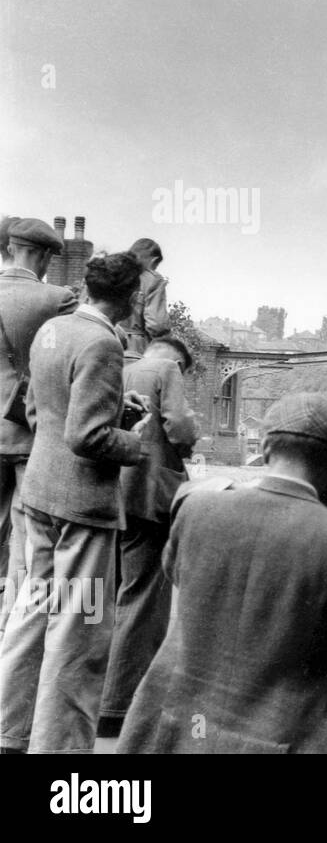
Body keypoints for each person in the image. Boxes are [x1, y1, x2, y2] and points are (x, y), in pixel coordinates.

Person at [118, 393, 327, 753]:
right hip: (286, 739)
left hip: (187, 731)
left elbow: (180, 575)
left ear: (268, 448)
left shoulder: (196, 508)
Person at [0, 253, 148, 753]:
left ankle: (9, 733)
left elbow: (39, 409)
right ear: (129, 299)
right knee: (77, 631)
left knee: (30, 610)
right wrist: (135, 440)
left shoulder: (52, 331)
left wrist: (109, 409)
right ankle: (59, 752)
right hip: (82, 504)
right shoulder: (104, 344)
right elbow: (88, 437)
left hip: (39, 490)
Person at [97, 336, 199, 738]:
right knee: (142, 601)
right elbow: (181, 427)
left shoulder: (113, 363)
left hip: (106, 493)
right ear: (177, 359)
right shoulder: (166, 369)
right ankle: (118, 707)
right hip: (147, 495)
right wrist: (189, 440)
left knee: (102, 598)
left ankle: (98, 694)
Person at [0, 218, 77, 631]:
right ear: (44, 256)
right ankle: (11, 622)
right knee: (26, 535)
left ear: (10, 248)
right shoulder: (57, 298)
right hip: (30, 432)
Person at [119, 238, 170, 357]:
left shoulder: (106, 271)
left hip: (100, 340)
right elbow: (157, 325)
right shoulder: (152, 280)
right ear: (154, 260)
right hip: (133, 348)